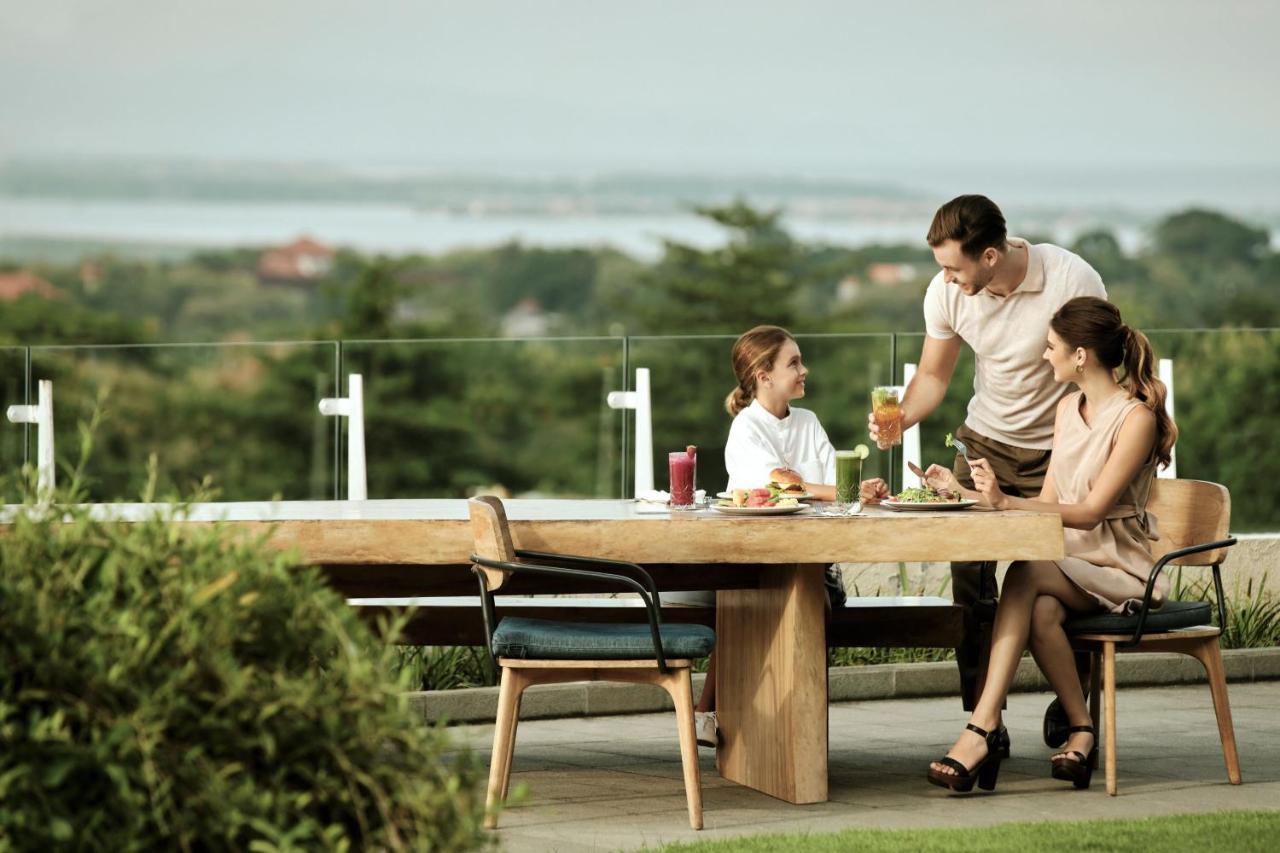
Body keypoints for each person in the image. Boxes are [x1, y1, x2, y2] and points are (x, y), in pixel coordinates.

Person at [868, 194, 1107, 738]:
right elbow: (933, 377)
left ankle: (1072, 698)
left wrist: (1094, 449)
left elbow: (1098, 372)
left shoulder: (1071, 278)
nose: (946, 279)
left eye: (954, 266)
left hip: (1060, 452)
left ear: (992, 256)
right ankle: (984, 718)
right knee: (971, 584)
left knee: (1069, 574)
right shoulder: (947, 293)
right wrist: (899, 420)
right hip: (984, 445)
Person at [923, 296, 1177, 792]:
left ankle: (982, 725)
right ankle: (1081, 731)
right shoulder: (1067, 407)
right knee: (1038, 609)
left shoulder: (1135, 419)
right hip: (1071, 560)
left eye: (1051, 347)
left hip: (1117, 563)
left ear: (1081, 355)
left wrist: (1003, 502)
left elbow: (1088, 512)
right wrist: (968, 494)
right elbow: (1048, 501)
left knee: (1024, 572)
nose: (1045, 356)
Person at [686, 324, 889, 749]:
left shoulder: (808, 422)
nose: (804, 370)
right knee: (760, 600)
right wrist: (840, 490)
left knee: (804, 602)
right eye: (793, 363)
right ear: (764, 375)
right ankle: (725, 713)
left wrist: (859, 490)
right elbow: (777, 487)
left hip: (812, 563)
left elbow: (831, 483)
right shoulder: (746, 427)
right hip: (753, 561)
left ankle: (780, 727)